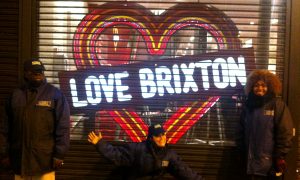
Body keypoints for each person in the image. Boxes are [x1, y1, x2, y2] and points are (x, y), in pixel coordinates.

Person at [0, 59, 70, 180]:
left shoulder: (55, 95)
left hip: (45, 162)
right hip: (19, 161)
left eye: (40, 71)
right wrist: (4, 153)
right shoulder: (15, 95)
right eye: (34, 72)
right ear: (25, 73)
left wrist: (59, 154)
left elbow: (63, 127)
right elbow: (4, 127)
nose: (38, 74)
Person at [88, 123, 203, 180]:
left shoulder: (169, 154)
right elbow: (116, 155)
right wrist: (100, 143)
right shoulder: (138, 149)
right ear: (150, 138)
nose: (162, 138)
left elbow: (183, 170)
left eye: (163, 134)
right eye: (158, 136)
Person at [236, 69, 294, 180]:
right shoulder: (248, 106)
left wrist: (280, 156)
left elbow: (285, 133)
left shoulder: (277, 105)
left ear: (270, 87)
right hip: (248, 165)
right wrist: (241, 150)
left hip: (268, 166)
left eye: (264, 85)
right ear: (251, 87)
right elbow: (240, 130)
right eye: (256, 85)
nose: (260, 88)